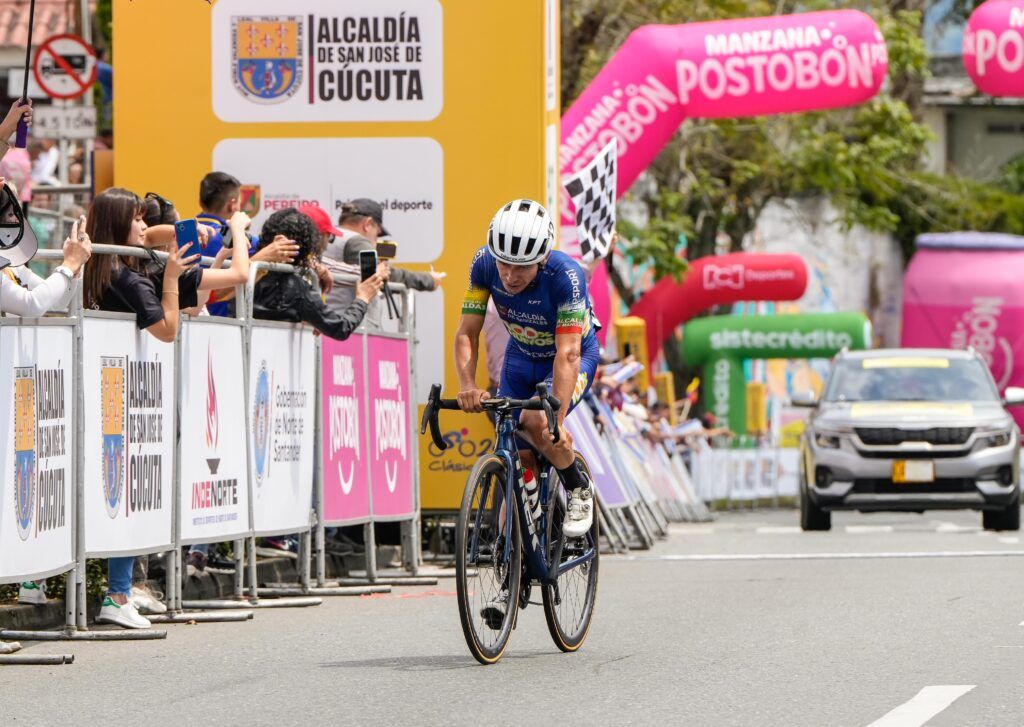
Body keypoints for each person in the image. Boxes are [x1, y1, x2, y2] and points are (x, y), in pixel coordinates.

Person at [82, 187, 252, 628]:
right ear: (119, 225)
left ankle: (117, 592)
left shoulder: (100, 265)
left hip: (113, 396)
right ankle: (118, 595)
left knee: (118, 495)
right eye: (136, 220)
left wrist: (188, 231)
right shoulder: (134, 276)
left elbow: (156, 236)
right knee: (126, 495)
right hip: (125, 399)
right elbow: (168, 329)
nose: (144, 227)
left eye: (144, 219)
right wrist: (175, 278)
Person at [454, 199, 602, 554]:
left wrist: (557, 419)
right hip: (520, 357)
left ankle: (578, 486)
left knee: (538, 422)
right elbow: (467, 332)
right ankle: (516, 556)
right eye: (504, 264)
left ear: (541, 259)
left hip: (569, 359)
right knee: (518, 454)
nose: (509, 275)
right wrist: (468, 386)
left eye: (520, 267)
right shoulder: (483, 263)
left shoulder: (565, 276)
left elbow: (567, 353)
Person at [252, 208, 386, 337]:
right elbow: (341, 328)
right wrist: (363, 298)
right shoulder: (298, 288)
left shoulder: (247, 271)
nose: (327, 245)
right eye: (329, 237)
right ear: (310, 242)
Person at [323, 198, 443, 328]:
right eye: (378, 233)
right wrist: (428, 280)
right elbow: (380, 276)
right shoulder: (357, 241)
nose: (376, 239)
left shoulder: (326, 237)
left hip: (328, 323)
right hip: (353, 329)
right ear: (367, 224)